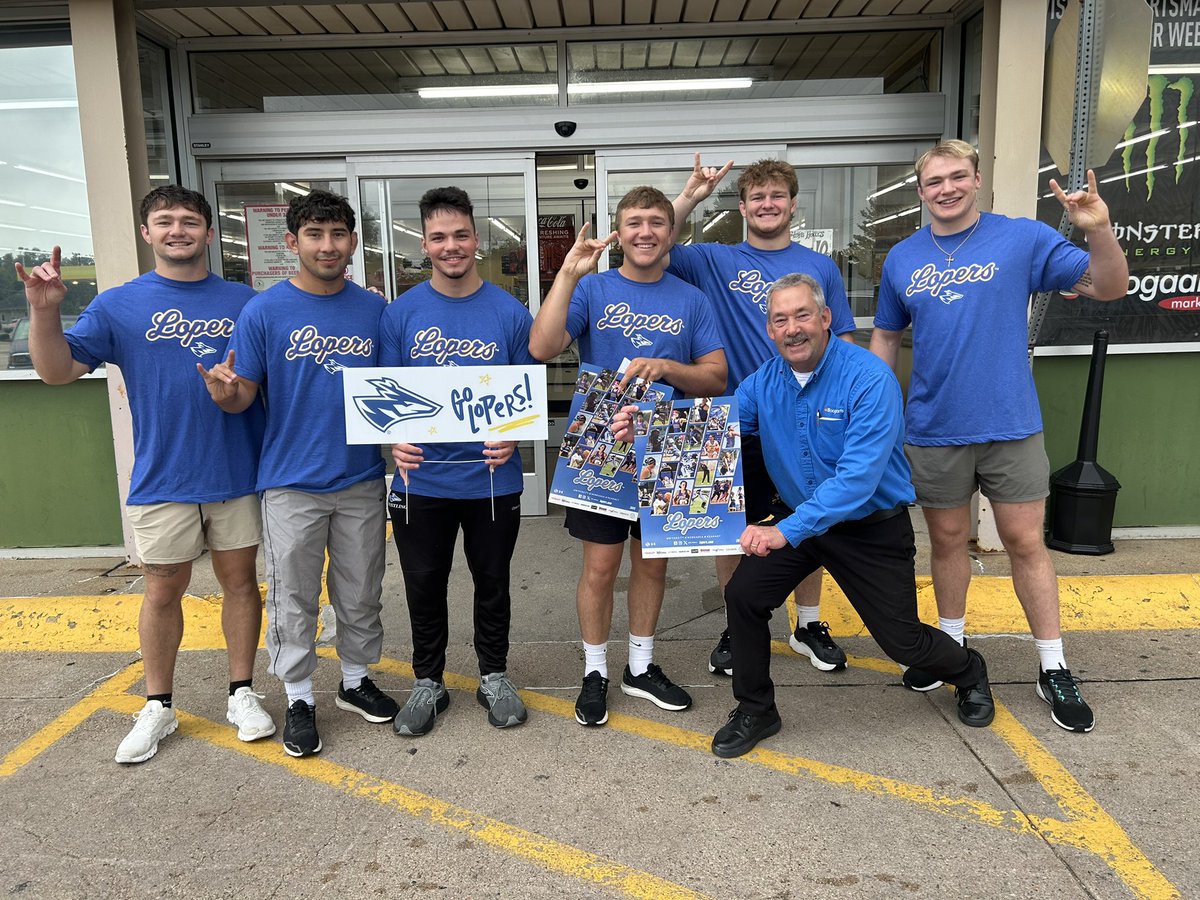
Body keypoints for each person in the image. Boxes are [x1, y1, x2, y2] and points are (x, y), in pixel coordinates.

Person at [617, 273, 996, 758]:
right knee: (745, 596)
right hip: (804, 523)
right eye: (780, 320)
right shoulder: (763, 382)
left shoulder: (869, 379)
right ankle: (756, 709)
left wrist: (782, 534)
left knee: (903, 642)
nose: (792, 328)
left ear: (825, 319)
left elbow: (857, 481)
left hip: (868, 527)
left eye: (802, 316)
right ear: (769, 331)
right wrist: (647, 429)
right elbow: (717, 426)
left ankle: (969, 669)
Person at [869, 140, 1128, 733]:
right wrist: (879, 413)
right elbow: (885, 338)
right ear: (920, 191)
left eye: (957, 177)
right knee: (949, 542)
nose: (947, 189)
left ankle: (1053, 664)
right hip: (934, 429)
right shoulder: (904, 258)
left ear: (977, 180)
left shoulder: (1022, 239)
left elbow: (1109, 286)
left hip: (1010, 422)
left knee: (1024, 542)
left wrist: (1101, 229)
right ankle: (950, 652)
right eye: (934, 181)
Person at [17, 185, 274, 764]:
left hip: (238, 470)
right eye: (165, 221)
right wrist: (44, 310)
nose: (177, 230)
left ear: (209, 233)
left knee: (240, 583)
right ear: (146, 233)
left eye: (189, 221)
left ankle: (241, 692)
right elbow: (57, 372)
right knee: (163, 589)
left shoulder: (247, 302)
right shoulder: (119, 304)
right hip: (163, 476)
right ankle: (159, 704)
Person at [200, 189, 396, 758]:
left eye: (338, 235)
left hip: (360, 476)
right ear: (292, 243)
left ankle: (356, 682)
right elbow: (243, 398)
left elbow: (399, 393)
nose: (327, 246)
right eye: (314, 235)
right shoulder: (264, 311)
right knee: (294, 596)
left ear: (354, 244)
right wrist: (226, 394)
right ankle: (300, 695)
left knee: (360, 590)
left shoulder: (374, 310)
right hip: (289, 481)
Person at [529, 186, 727, 727]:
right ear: (619, 232)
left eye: (657, 222)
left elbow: (715, 375)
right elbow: (543, 347)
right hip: (600, 446)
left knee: (653, 564)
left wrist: (668, 368)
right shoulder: (594, 288)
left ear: (672, 231)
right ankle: (595, 671)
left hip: (664, 445)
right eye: (634, 222)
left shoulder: (691, 298)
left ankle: (640, 667)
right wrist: (568, 274)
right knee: (600, 566)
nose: (646, 232)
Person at [669, 155, 859, 677]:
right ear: (743, 206)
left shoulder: (818, 267)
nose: (767, 204)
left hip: (805, 417)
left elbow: (840, 337)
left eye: (777, 196)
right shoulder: (713, 259)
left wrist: (845, 408)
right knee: (737, 525)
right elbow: (659, 243)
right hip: (735, 418)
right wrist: (691, 197)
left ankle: (809, 624)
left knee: (806, 519)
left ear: (793, 205)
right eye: (757, 197)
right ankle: (738, 623)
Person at [383, 186, 534, 737]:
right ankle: (429, 681)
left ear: (477, 239)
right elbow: (385, 397)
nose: (452, 246)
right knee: (424, 583)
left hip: (492, 479)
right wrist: (390, 443)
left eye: (461, 235)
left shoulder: (509, 311)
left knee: (492, 581)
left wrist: (517, 438)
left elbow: (527, 391)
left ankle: (494, 674)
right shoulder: (400, 314)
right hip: (420, 479)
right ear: (424, 244)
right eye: (439, 237)